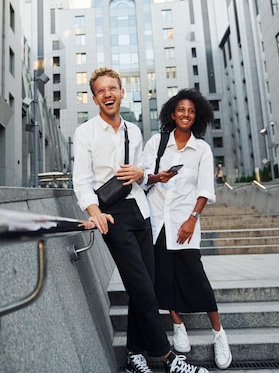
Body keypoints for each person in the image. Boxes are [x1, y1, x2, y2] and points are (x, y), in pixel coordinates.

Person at [73, 68, 208, 373]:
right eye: (101, 90)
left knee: (143, 286)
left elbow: (144, 175)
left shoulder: (134, 132)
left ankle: (135, 353)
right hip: (112, 215)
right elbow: (81, 181)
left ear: (122, 92)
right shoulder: (85, 133)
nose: (108, 94)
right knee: (143, 288)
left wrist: (142, 174)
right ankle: (168, 358)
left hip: (142, 211)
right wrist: (95, 212)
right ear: (94, 98)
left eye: (113, 88)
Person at [143, 88, 232, 370]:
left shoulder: (201, 149)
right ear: (172, 114)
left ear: (197, 117)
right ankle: (177, 324)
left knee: (197, 279)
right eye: (181, 110)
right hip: (157, 222)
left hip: (185, 222)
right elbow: (143, 179)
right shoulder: (156, 143)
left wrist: (192, 218)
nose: (186, 114)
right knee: (163, 278)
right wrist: (158, 177)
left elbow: (205, 189)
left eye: (191, 111)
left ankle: (219, 334)